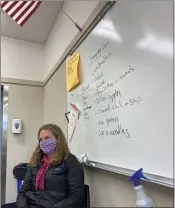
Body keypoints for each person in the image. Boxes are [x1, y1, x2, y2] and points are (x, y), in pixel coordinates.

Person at [17, 124, 84, 208]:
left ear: (58, 139)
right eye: (41, 140)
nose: (43, 142)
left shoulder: (70, 161)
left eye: (47, 138)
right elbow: (23, 192)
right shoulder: (35, 162)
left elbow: (76, 197)